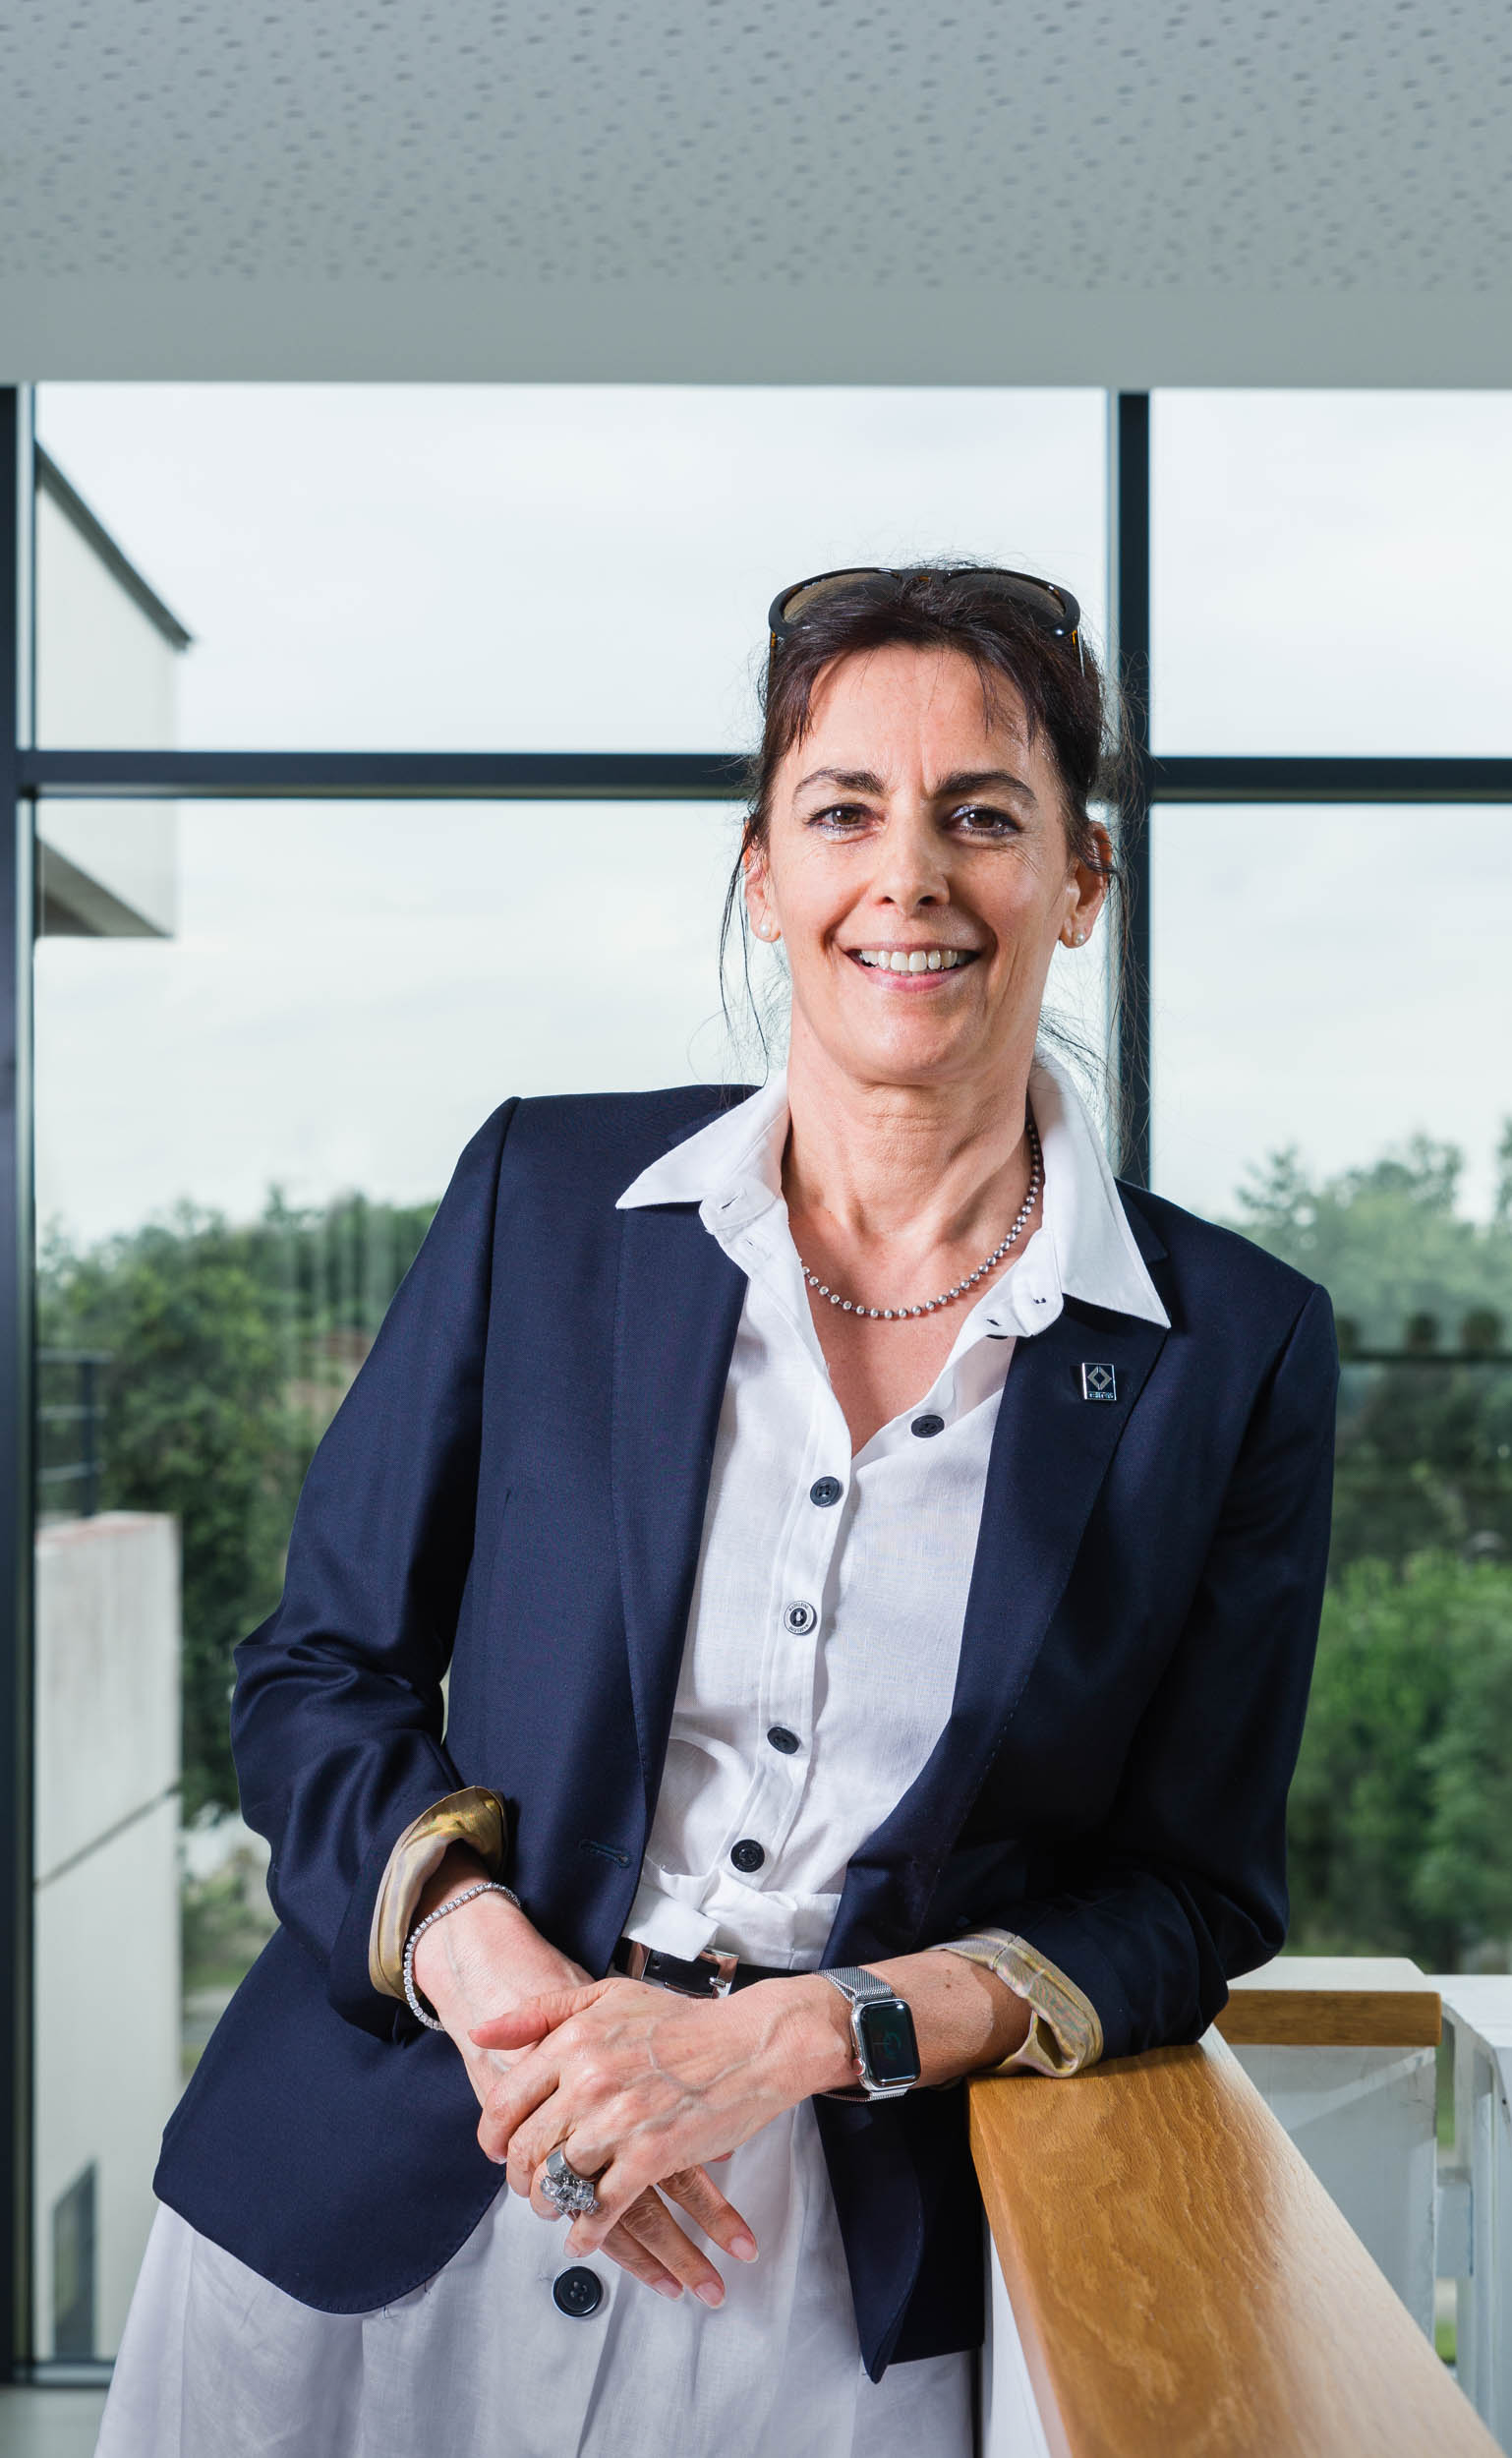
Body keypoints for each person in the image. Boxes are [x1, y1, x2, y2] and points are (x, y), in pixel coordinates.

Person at [96, 563, 1338, 2458]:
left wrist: (786, 2038)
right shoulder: (543, 1197)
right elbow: (316, 1672)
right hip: (385, 2190)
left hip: (824, 2278)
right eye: (842, 810)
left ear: (1079, 879)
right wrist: (508, 1993)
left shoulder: (1231, 1350)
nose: (906, 876)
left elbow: (1189, 1897)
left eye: (981, 816)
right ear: (764, 871)